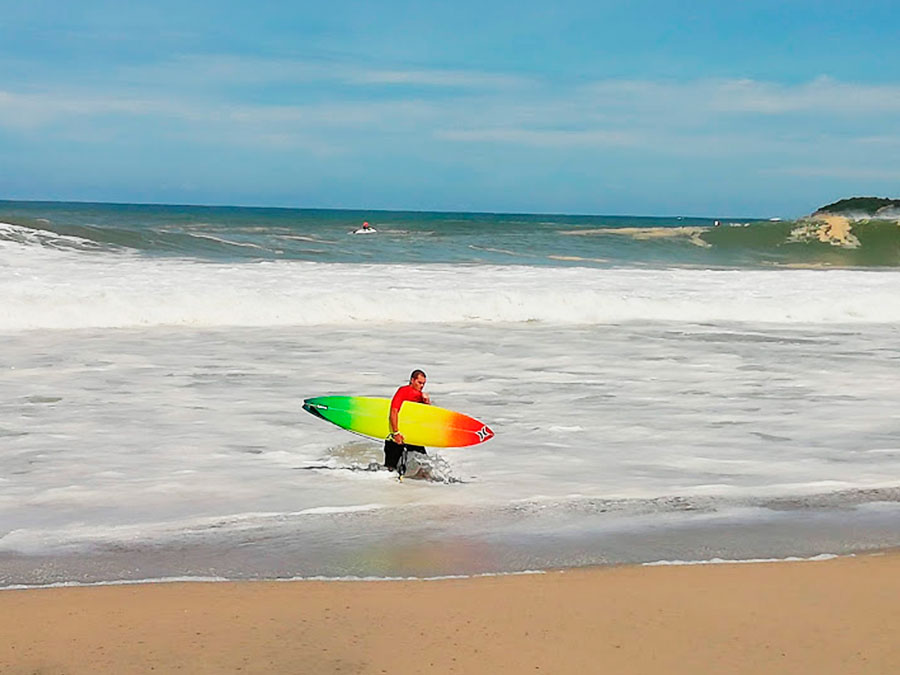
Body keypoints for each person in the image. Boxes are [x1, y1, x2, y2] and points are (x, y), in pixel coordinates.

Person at [384, 369, 431, 475]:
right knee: (389, 471)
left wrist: (427, 403)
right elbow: (394, 411)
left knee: (424, 465)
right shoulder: (403, 391)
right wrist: (396, 433)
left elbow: (426, 417)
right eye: (419, 382)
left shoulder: (421, 397)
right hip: (396, 436)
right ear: (412, 380)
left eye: (423, 383)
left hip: (411, 436)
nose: (422, 386)